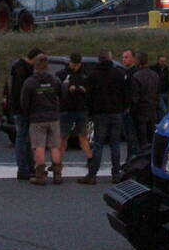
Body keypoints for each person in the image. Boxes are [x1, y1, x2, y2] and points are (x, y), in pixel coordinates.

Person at [78, 50, 127, 185]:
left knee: (98, 144)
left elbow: (88, 96)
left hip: (100, 114)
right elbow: (125, 92)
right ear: (110, 58)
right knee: (115, 144)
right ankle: (116, 173)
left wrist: (91, 112)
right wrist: (123, 108)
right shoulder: (118, 74)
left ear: (99, 59)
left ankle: (92, 174)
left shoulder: (94, 75)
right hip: (116, 112)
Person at [19, 54, 64, 185]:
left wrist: (28, 114)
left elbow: (24, 101)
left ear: (35, 65)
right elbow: (61, 95)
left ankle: (40, 176)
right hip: (53, 117)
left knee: (39, 147)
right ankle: (57, 174)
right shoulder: (55, 80)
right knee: (55, 146)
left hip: (37, 118)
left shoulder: (30, 82)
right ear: (47, 65)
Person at [6, 47, 43, 180]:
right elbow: (21, 93)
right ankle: (24, 168)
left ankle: (27, 167)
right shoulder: (22, 70)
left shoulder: (19, 67)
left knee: (25, 138)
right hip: (23, 109)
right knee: (22, 138)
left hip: (19, 108)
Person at [56, 52, 92, 163]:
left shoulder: (86, 74)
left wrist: (84, 90)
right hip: (66, 109)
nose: (75, 66)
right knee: (63, 137)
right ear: (69, 62)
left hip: (82, 108)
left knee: (83, 136)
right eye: (73, 64)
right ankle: (58, 162)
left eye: (77, 64)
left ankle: (90, 161)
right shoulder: (62, 74)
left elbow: (92, 90)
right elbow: (57, 90)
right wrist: (67, 88)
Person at [130, 52, 160, 152]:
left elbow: (135, 97)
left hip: (141, 112)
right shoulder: (155, 75)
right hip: (152, 110)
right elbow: (157, 94)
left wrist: (132, 111)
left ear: (138, 61)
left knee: (141, 140)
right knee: (151, 139)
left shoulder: (136, 76)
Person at [120, 48, 139, 163]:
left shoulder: (134, 73)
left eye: (126, 57)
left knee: (132, 136)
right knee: (128, 136)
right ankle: (130, 158)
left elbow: (133, 93)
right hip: (125, 108)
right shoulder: (125, 72)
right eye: (123, 57)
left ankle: (132, 160)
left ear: (133, 58)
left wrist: (130, 107)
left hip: (131, 110)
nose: (124, 59)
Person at [150, 54, 169, 119]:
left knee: (165, 109)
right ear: (158, 61)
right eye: (162, 61)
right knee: (164, 110)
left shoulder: (166, 69)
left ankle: (161, 121)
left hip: (165, 92)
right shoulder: (153, 68)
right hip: (159, 93)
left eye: (164, 61)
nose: (163, 63)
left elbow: (167, 79)